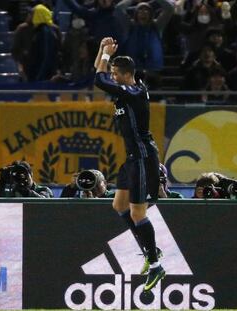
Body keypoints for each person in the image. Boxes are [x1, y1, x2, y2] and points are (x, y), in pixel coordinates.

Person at [93, 37, 164, 292]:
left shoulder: (133, 92)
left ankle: (156, 265)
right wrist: (103, 51)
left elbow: (99, 79)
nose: (111, 77)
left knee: (137, 213)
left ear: (126, 75)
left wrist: (105, 57)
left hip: (144, 157)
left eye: (115, 73)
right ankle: (149, 249)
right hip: (132, 158)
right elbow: (99, 74)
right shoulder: (127, 90)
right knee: (119, 205)